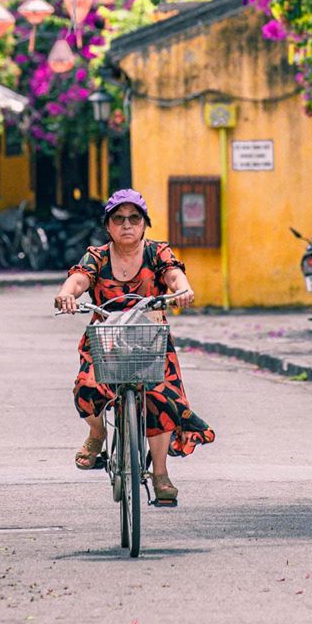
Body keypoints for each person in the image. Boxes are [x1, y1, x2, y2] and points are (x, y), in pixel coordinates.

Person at [54, 188, 215, 504]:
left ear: (144, 224)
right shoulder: (98, 257)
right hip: (106, 340)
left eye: (134, 218)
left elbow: (174, 275)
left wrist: (183, 290)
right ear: (108, 226)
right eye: (119, 219)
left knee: (161, 400)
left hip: (149, 339)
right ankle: (97, 434)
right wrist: (67, 294)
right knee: (86, 389)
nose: (126, 225)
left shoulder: (157, 253)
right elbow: (78, 279)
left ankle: (160, 473)